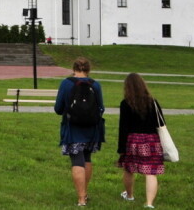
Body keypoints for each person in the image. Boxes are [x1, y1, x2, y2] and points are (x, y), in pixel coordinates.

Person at [54, 57, 105, 207]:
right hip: (91, 128)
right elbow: (101, 108)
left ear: (73, 68)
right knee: (87, 159)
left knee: (77, 160)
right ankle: (85, 193)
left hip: (73, 127)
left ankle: (81, 199)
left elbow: (58, 109)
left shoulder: (66, 83)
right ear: (89, 69)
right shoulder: (95, 84)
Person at [117, 73, 164, 209]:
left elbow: (123, 127)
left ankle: (129, 195)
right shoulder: (153, 102)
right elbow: (161, 123)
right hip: (152, 140)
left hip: (133, 140)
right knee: (151, 172)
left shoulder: (125, 103)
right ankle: (149, 203)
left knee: (129, 169)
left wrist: (121, 148)